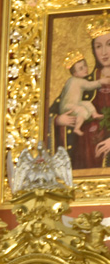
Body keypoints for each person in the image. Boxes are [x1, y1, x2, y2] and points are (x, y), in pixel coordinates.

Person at [55, 16, 110, 168]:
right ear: (93, 50)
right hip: (83, 152)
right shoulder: (84, 82)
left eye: (109, 44)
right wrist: (59, 120)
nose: (104, 52)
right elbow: (55, 110)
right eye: (98, 46)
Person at [56, 52, 110, 135]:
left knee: (87, 103)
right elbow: (90, 85)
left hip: (74, 103)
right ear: (75, 73)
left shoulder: (70, 80)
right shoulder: (79, 81)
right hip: (68, 107)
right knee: (82, 111)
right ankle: (77, 128)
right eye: (81, 68)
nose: (85, 69)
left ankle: (94, 114)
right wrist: (101, 81)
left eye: (85, 65)